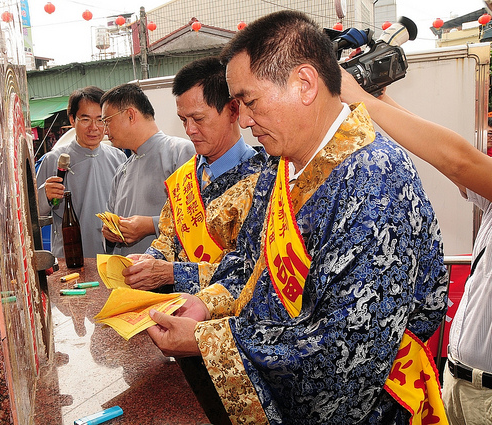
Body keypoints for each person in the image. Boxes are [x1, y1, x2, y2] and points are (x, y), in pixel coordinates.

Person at [145, 11, 448, 425]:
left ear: (305, 84)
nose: (245, 120)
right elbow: (248, 264)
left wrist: (208, 341)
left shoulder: (374, 178)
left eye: (249, 101)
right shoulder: (282, 166)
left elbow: (345, 352)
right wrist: (203, 304)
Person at [340, 69, 492, 425]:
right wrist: (378, 98)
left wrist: (361, 99)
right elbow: (455, 168)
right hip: (460, 380)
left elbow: (459, 160)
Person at [122, 57, 267, 293]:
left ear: (233, 111)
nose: (189, 130)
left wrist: (172, 273)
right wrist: (149, 262)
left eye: (198, 119)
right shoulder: (185, 176)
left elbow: (252, 271)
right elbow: (168, 238)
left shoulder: (264, 178)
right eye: (183, 120)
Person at [100, 83, 195, 255]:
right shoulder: (122, 169)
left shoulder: (181, 152)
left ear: (130, 115)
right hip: (124, 274)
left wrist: (150, 225)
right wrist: (109, 232)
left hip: (165, 276)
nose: (105, 130)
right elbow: (109, 218)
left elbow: (196, 219)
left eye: (107, 121)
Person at [37, 86, 126, 258]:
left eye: (100, 120)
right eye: (85, 119)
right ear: (72, 120)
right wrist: (44, 196)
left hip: (112, 259)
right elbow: (34, 217)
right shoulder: (52, 160)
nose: (94, 127)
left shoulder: (119, 159)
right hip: (69, 259)